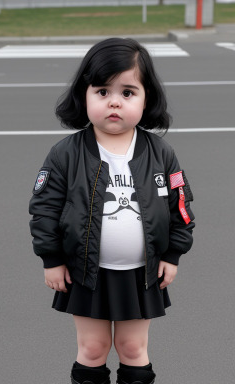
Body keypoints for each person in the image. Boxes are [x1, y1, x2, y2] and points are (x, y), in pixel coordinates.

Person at [29, 38, 195, 384]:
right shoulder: (66, 154)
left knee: (133, 347)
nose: (114, 102)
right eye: (102, 92)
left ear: (147, 97)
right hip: (87, 272)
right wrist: (51, 259)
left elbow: (179, 205)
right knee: (93, 347)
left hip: (142, 272)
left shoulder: (160, 153)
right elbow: (44, 209)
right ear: (84, 96)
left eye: (128, 92)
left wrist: (173, 254)